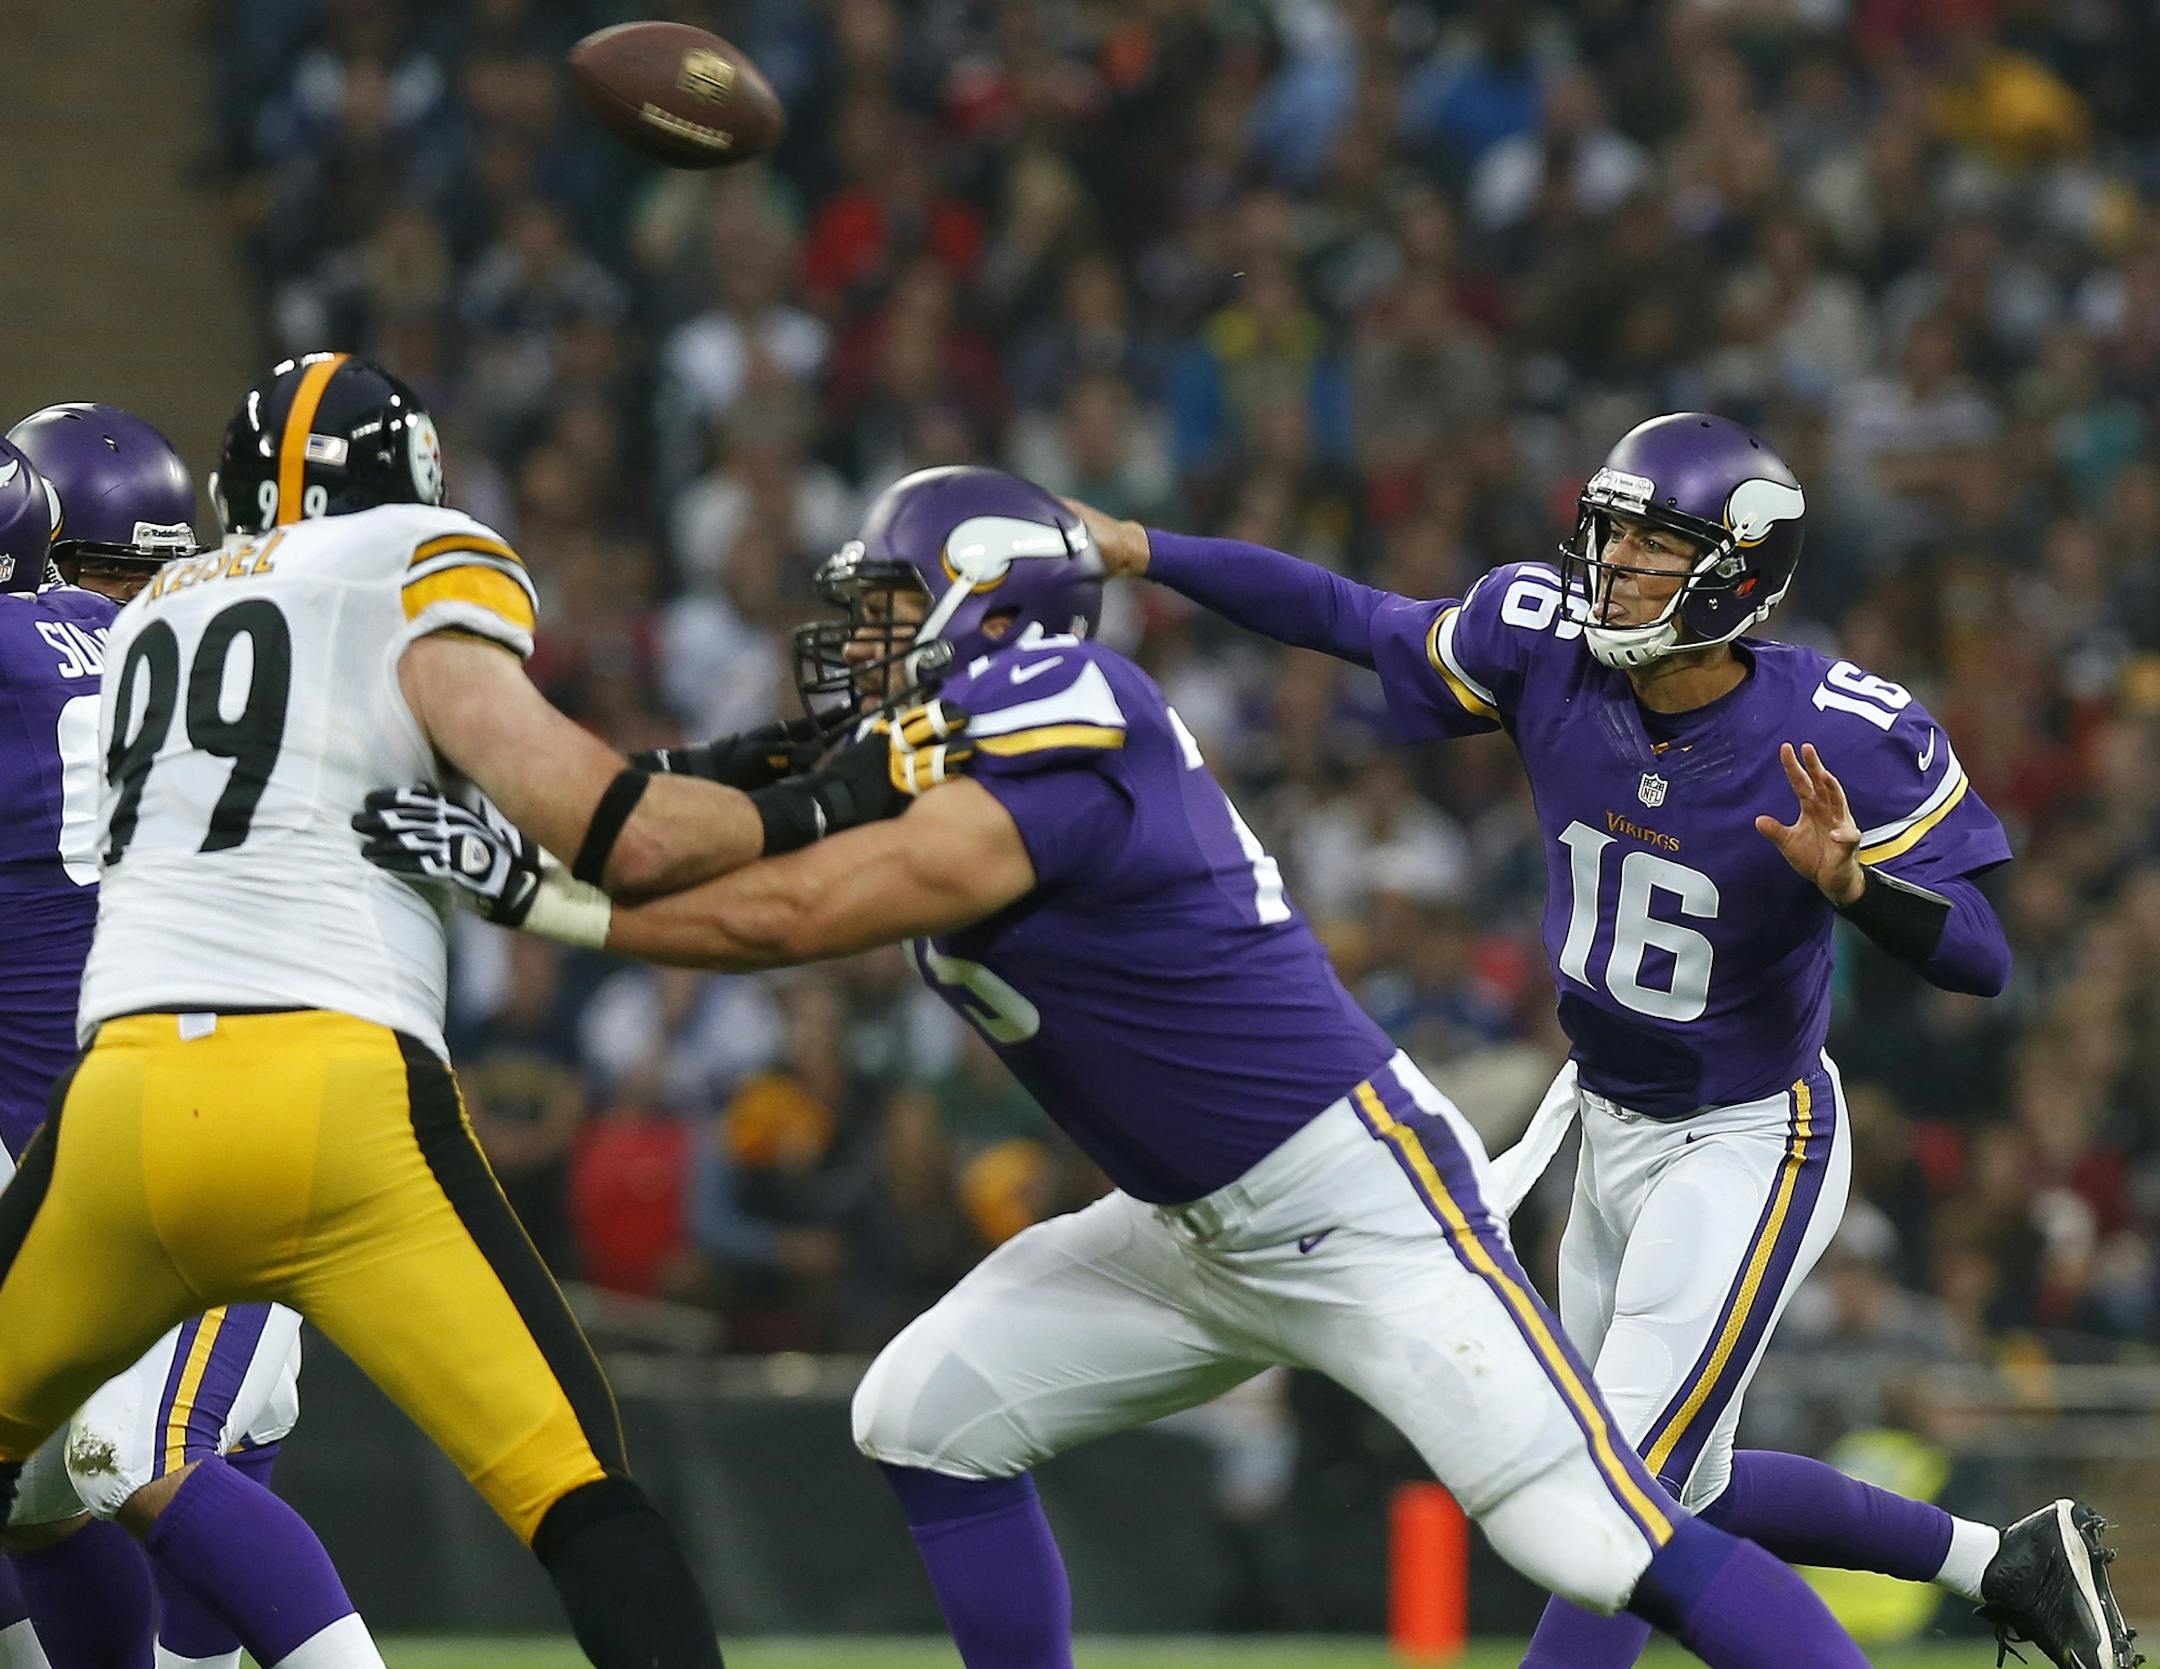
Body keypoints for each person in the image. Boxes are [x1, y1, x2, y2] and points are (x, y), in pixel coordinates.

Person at [362, 464, 1881, 1669]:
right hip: (1193, 1224)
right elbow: (727, 803)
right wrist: (546, 832)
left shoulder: (1064, 734)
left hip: (1357, 1207)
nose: (867, 642)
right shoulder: (954, 732)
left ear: (980, 607)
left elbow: (796, 908)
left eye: (896, 606)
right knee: (923, 1415)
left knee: (1596, 1535)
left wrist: (548, 898)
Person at [1066, 411, 2133, 1669]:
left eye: (1652, 543)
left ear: (1736, 570)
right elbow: (1351, 616)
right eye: (1611, 530)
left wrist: (1858, 890)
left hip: (1745, 1137)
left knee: (1602, 1497)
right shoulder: (1547, 646)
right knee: (1681, 1483)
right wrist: (1148, 548)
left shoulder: (1838, 727)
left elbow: (1983, 956)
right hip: (1605, 1123)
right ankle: (1996, 1560)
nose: (1612, 562)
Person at [0, 353, 911, 1669]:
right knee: (581, 1493)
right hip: (337, 1102)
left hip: (124, 1109)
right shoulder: (402, 564)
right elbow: (603, 823)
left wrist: (717, 764)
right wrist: (815, 797)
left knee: (44, 1487)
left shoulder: (149, 626)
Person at [3, 401, 375, 1669]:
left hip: (211, 1149)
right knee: (54, 1490)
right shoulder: (223, 669)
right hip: (160, 1150)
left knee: (130, 1458)